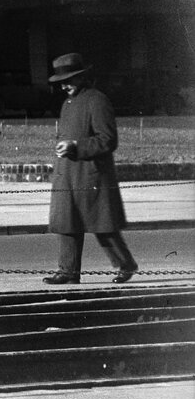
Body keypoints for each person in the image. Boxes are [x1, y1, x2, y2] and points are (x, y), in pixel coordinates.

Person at [43, 52, 138, 285]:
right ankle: (68, 271)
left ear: (82, 77)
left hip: (91, 173)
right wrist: (63, 147)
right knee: (67, 223)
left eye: (68, 80)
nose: (64, 85)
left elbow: (107, 139)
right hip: (69, 173)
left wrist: (76, 146)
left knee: (103, 225)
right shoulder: (68, 104)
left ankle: (126, 265)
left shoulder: (97, 100)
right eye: (61, 81)